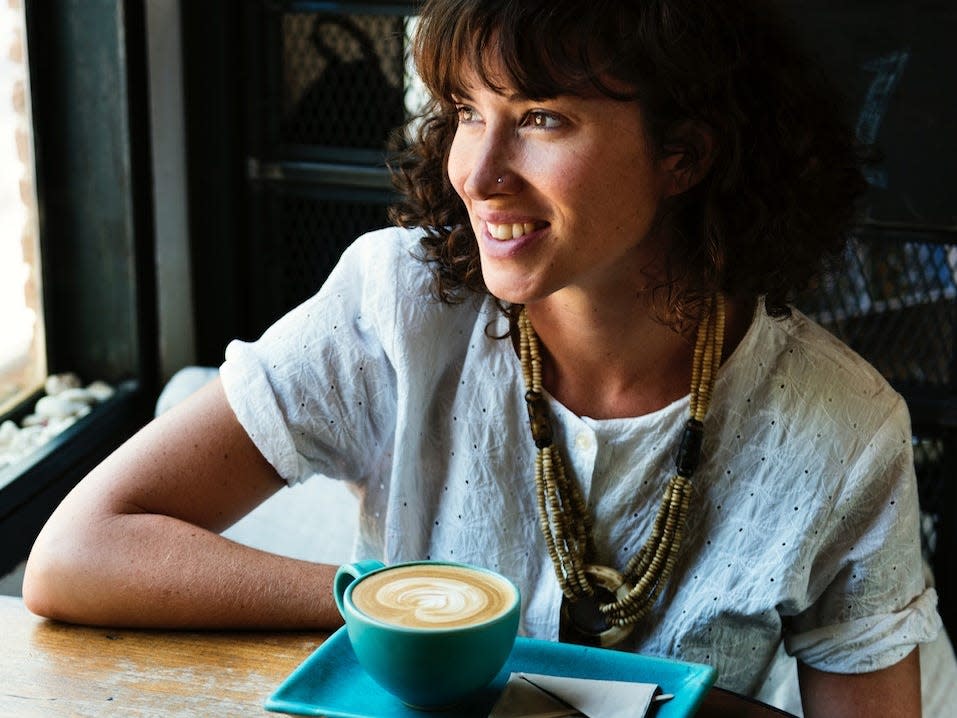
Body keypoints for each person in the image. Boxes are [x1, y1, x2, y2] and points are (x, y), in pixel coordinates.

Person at [22, 0, 948, 715]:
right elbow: (76, 555)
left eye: (541, 118)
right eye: (467, 110)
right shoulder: (400, 307)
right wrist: (386, 605)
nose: (478, 170)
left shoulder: (843, 430)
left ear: (684, 154)